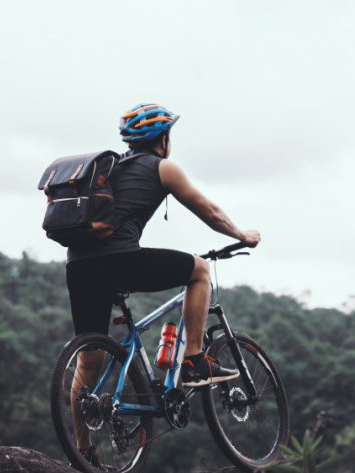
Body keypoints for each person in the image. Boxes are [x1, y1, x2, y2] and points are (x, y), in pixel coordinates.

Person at [66, 103, 261, 464]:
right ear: (164, 138)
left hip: (79, 265)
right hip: (120, 259)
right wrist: (241, 234)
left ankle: (83, 453)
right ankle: (193, 361)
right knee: (199, 270)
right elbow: (210, 211)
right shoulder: (163, 167)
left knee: (87, 360)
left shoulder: (110, 170)